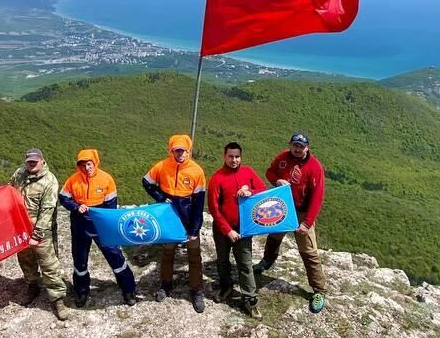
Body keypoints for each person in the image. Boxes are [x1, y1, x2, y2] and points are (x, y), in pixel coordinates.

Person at [256, 132, 329, 313]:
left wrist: (307, 222)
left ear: (307, 148)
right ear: (290, 145)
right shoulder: (282, 157)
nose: (297, 149)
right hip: (284, 207)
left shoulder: (315, 167)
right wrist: (276, 180)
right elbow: (270, 171)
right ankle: (267, 261)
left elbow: (318, 197)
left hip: (303, 212)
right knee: (274, 236)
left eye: (301, 147)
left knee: (308, 250)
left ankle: (319, 290)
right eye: (295, 145)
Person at [59, 148, 137, 308]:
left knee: (114, 255)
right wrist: (75, 206)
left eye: (89, 164)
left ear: (95, 162)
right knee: (79, 259)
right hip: (79, 223)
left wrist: (109, 225)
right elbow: (63, 197)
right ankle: (82, 291)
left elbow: (111, 205)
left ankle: (128, 290)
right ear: (78, 166)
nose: (86, 168)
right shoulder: (73, 180)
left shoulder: (106, 179)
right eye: (82, 165)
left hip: (101, 224)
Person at [141, 133, 208, 311]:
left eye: (183, 151)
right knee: (167, 252)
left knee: (194, 255)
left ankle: (197, 290)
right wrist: (161, 197)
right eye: (176, 151)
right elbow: (146, 182)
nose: (180, 154)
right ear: (171, 151)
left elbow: (199, 202)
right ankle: (165, 285)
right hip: (169, 217)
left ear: (188, 150)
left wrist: (194, 229)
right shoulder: (162, 166)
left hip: (188, 216)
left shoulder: (196, 171)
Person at [207, 141, 268, 319]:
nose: (234, 160)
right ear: (224, 156)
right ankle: (226, 287)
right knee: (223, 261)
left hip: (244, 228)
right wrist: (227, 231)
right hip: (222, 229)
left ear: (241, 157)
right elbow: (214, 209)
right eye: (230, 156)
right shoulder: (217, 178)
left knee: (245, 264)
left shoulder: (248, 172)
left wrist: (250, 191)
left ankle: (250, 299)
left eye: (237, 157)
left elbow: (262, 190)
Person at [10, 148, 70, 321]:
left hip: (42, 232)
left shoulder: (49, 181)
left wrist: (36, 235)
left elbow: (47, 211)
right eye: (29, 160)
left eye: (35, 161)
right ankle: (32, 285)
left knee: (49, 265)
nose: (31, 163)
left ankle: (57, 299)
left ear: (42, 161)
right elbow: (9, 192)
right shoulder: (19, 173)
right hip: (20, 228)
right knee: (26, 260)